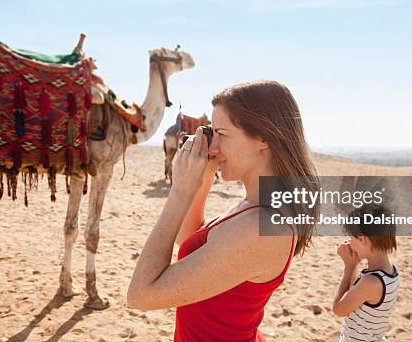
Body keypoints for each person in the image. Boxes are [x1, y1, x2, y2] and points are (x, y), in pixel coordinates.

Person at [127, 80, 319, 341]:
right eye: (212, 134)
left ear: (263, 137)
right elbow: (194, 242)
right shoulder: (255, 206)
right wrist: (202, 180)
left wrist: (179, 193)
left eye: (222, 135)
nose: (214, 147)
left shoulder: (261, 227)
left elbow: (141, 295)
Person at [332, 203, 400, 342]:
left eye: (351, 238)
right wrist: (354, 265)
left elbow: (339, 309)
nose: (349, 243)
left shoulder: (371, 281)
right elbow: (355, 297)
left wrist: (349, 268)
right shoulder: (390, 271)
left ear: (362, 239)